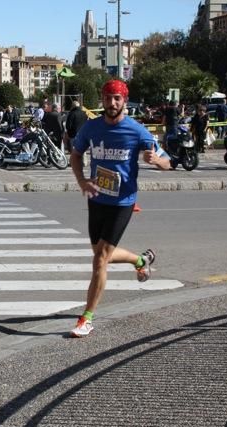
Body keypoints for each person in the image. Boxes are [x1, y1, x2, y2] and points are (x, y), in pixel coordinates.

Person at [69, 79, 171, 338]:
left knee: (100, 259)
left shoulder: (137, 131)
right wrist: (82, 181)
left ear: (125, 101)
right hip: (96, 200)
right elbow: (76, 154)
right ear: (102, 100)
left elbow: (167, 163)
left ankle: (87, 318)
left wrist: (156, 160)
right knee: (102, 255)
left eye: (117, 98)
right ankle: (141, 260)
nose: (112, 103)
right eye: (108, 98)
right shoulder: (91, 128)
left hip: (122, 203)